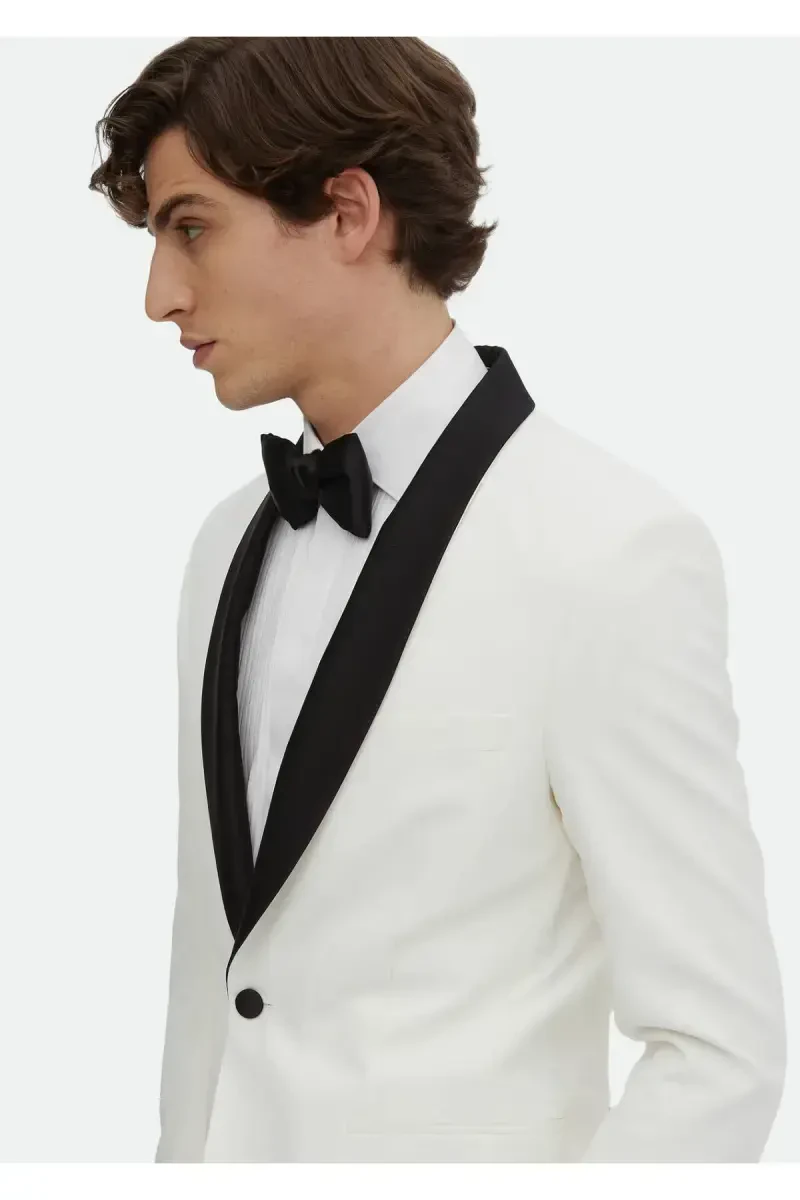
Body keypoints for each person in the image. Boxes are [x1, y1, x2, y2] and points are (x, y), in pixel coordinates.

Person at [89, 36, 786, 1164]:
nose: (160, 296)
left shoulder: (607, 551)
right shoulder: (226, 544)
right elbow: (225, 985)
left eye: (191, 228)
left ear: (348, 212)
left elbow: (716, 1048)